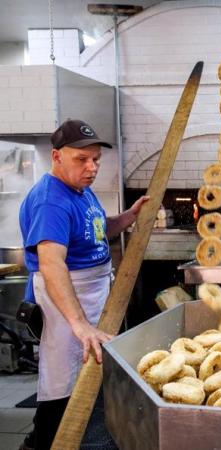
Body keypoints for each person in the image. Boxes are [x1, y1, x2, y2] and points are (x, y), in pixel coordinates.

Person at [18, 119, 149, 450]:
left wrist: (129, 217)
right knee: (63, 384)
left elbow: (97, 229)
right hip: (65, 305)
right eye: (82, 160)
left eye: (96, 160)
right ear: (57, 156)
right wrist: (79, 324)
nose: (91, 168)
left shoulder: (81, 190)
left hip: (93, 298)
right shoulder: (51, 200)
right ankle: (43, 442)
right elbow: (51, 263)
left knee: (88, 379)